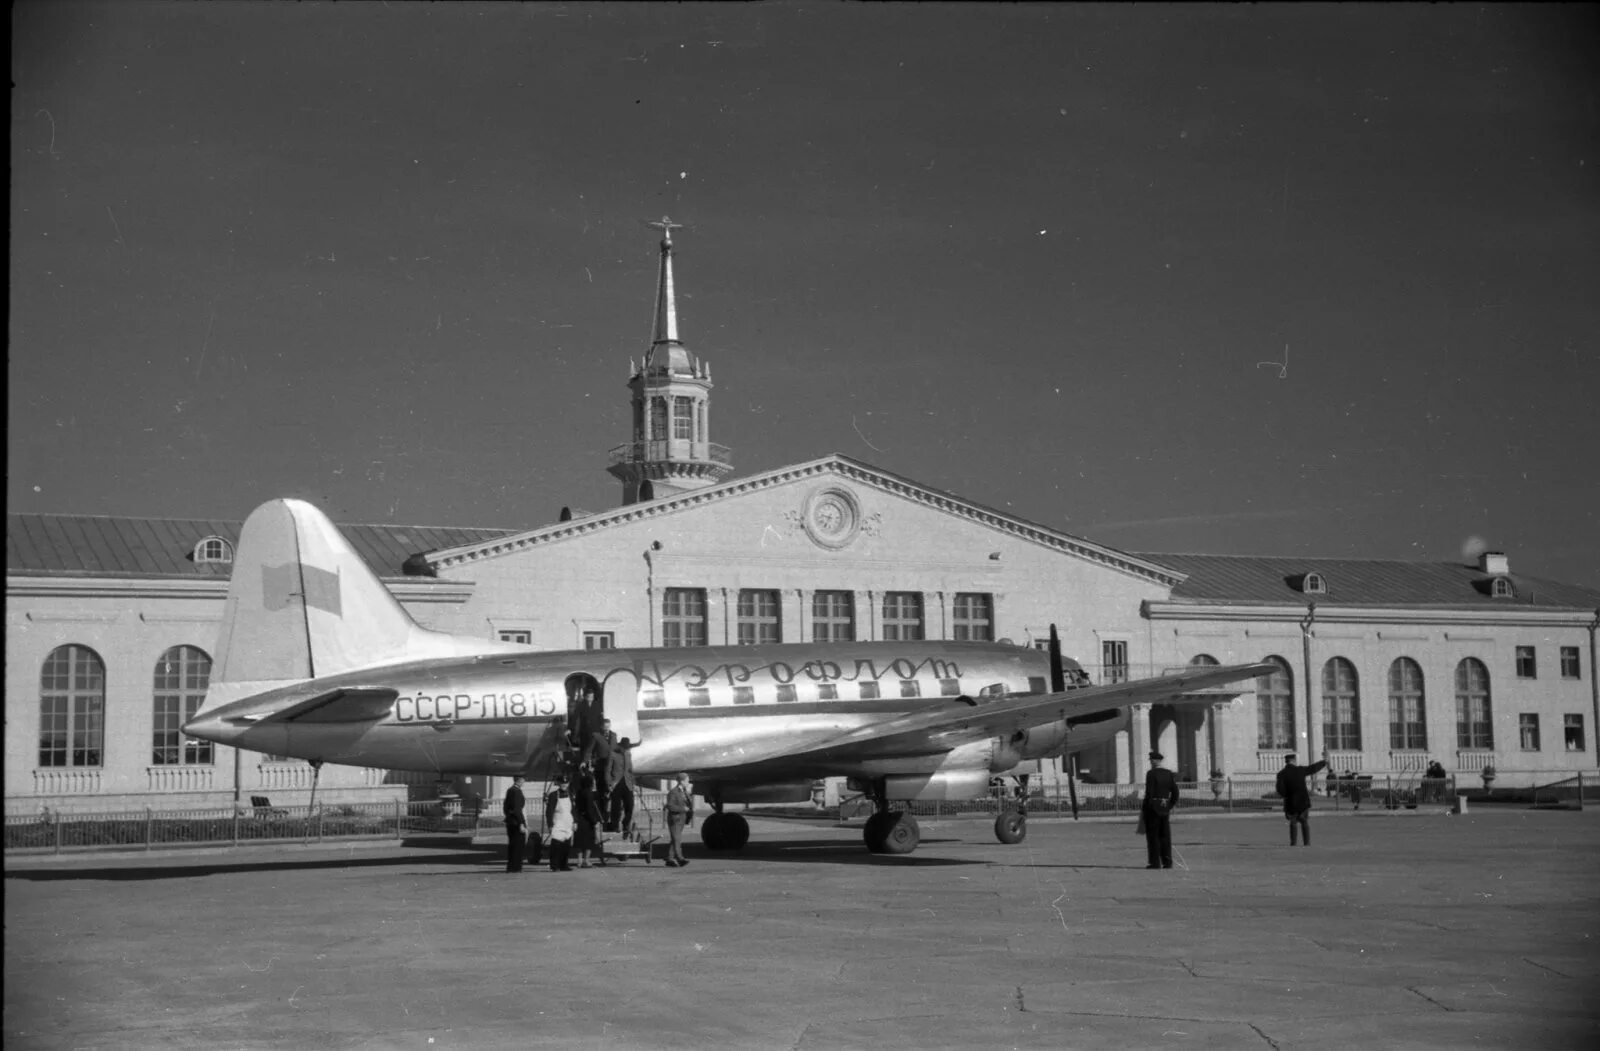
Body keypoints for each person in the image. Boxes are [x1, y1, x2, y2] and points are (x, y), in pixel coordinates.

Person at [1276, 752, 1330, 846]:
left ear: (1286, 762)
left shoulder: (1281, 774)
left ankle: (1293, 843)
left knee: (1293, 822)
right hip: (1302, 801)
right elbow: (1312, 768)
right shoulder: (1300, 770)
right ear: (1293, 761)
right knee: (1304, 821)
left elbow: (1280, 789)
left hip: (1290, 802)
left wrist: (1286, 795)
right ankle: (1307, 842)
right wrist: (1324, 762)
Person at [1141, 751, 1179, 870]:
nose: (1151, 762)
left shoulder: (1151, 774)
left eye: (1152, 760)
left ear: (1155, 761)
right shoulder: (1168, 773)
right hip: (1164, 807)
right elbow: (1175, 792)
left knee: (1153, 836)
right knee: (1165, 836)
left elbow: (1149, 792)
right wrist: (1169, 805)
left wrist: (1146, 807)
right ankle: (1167, 862)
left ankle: (1155, 862)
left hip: (1153, 808)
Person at [571, 767, 604, 868]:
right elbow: (590, 809)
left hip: (579, 819)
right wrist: (594, 821)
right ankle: (587, 860)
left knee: (579, 841)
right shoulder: (589, 794)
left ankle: (579, 861)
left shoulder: (579, 793)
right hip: (587, 820)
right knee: (589, 841)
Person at [607, 737, 637, 834]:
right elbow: (608, 770)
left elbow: (630, 770)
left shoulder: (628, 754)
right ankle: (615, 825)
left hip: (627, 783)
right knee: (616, 806)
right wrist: (609, 783)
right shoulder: (613, 754)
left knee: (630, 805)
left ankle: (625, 823)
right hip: (616, 783)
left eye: (627, 747)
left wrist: (633, 782)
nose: (626, 749)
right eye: (625, 747)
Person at [545, 776, 575, 871]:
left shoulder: (570, 794)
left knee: (566, 845)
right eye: (562, 783)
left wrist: (575, 821)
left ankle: (564, 864)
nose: (564, 785)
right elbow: (549, 811)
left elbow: (574, 810)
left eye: (566, 783)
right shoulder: (553, 795)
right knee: (556, 845)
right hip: (557, 821)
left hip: (568, 821)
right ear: (558, 783)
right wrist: (550, 824)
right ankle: (554, 865)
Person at [664, 771, 694, 868]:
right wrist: (683, 809)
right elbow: (670, 806)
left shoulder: (684, 791)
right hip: (675, 819)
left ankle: (669, 858)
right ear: (681, 781)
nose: (688, 782)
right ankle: (680, 858)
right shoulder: (673, 792)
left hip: (682, 818)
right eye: (687, 781)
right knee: (677, 839)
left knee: (675, 839)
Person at [502, 775, 527, 872]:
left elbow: (505, 806)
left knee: (512, 845)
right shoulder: (516, 791)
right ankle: (516, 866)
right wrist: (521, 822)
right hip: (516, 821)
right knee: (518, 845)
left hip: (511, 820)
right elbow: (517, 809)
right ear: (519, 781)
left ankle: (511, 866)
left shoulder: (510, 790)